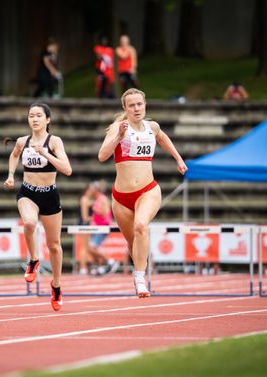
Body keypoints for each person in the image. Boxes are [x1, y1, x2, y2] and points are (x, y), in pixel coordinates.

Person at [98, 88, 187, 297]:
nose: (137, 108)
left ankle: (140, 279)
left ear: (145, 104)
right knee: (132, 242)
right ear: (125, 108)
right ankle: (139, 272)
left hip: (148, 190)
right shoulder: (118, 128)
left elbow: (163, 138)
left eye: (140, 104)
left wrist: (178, 158)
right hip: (121, 198)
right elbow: (102, 155)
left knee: (140, 225)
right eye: (132, 105)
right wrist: (118, 137)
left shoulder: (152, 127)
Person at [3, 103, 72, 311]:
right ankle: (33, 259)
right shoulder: (23, 142)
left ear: (47, 120)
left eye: (39, 116)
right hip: (28, 192)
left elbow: (67, 169)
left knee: (54, 245)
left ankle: (56, 286)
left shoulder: (54, 141)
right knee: (29, 223)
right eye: (31, 115)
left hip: (50, 195)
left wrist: (46, 154)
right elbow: (14, 155)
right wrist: (10, 175)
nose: (34, 119)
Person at [86, 180, 118, 274]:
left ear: (96, 190)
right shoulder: (98, 199)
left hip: (103, 226)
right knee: (93, 249)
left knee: (91, 248)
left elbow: (104, 213)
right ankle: (100, 267)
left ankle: (110, 261)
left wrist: (95, 209)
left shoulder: (103, 199)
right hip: (97, 227)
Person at [76, 183, 94, 274]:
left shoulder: (87, 200)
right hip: (84, 224)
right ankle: (82, 267)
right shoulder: (84, 199)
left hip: (86, 225)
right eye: (91, 190)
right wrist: (95, 218)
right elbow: (85, 217)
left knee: (86, 247)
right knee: (84, 247)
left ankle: (85, 266)